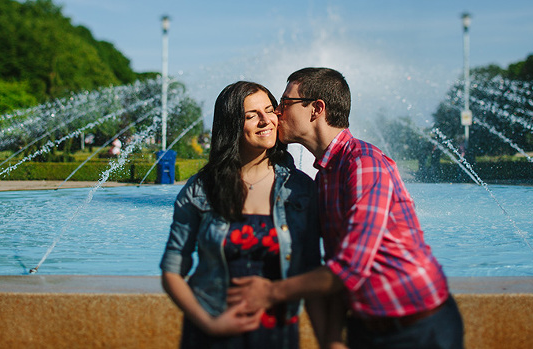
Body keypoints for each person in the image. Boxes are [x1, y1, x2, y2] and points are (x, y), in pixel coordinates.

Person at [228, 68, 464, 349]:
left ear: (316, 108)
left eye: (284, 103)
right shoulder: (327, 175)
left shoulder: (363, 163)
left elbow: (350, 267)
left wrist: (270, 292)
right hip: (367, 327)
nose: (277, 113)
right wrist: (332, 338)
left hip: (419, 329)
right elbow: (337, 264)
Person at [160, 81, 323, 349]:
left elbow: (311, 271)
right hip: (212, 333)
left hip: (276, 335)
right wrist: (209, 323)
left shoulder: (301, 190)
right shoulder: (201, 189)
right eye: (251, 116)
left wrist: (327, 341)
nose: (265, 121)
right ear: (232, 125)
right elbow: (172, 270)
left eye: (270, 110)